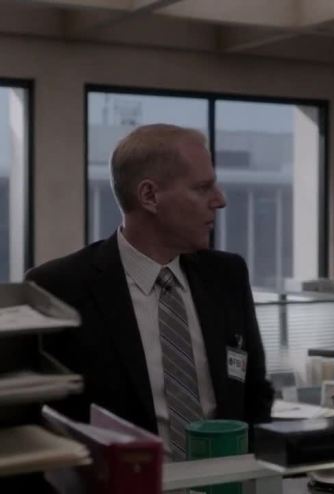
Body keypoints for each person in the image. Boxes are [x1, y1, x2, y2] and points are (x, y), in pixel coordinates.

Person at [26, 124, 274, 460]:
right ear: (149, 196)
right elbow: (41, 422)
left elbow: (255, 392)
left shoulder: (227, 276)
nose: (220, 200)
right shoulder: (58, 288)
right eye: (203, 188)